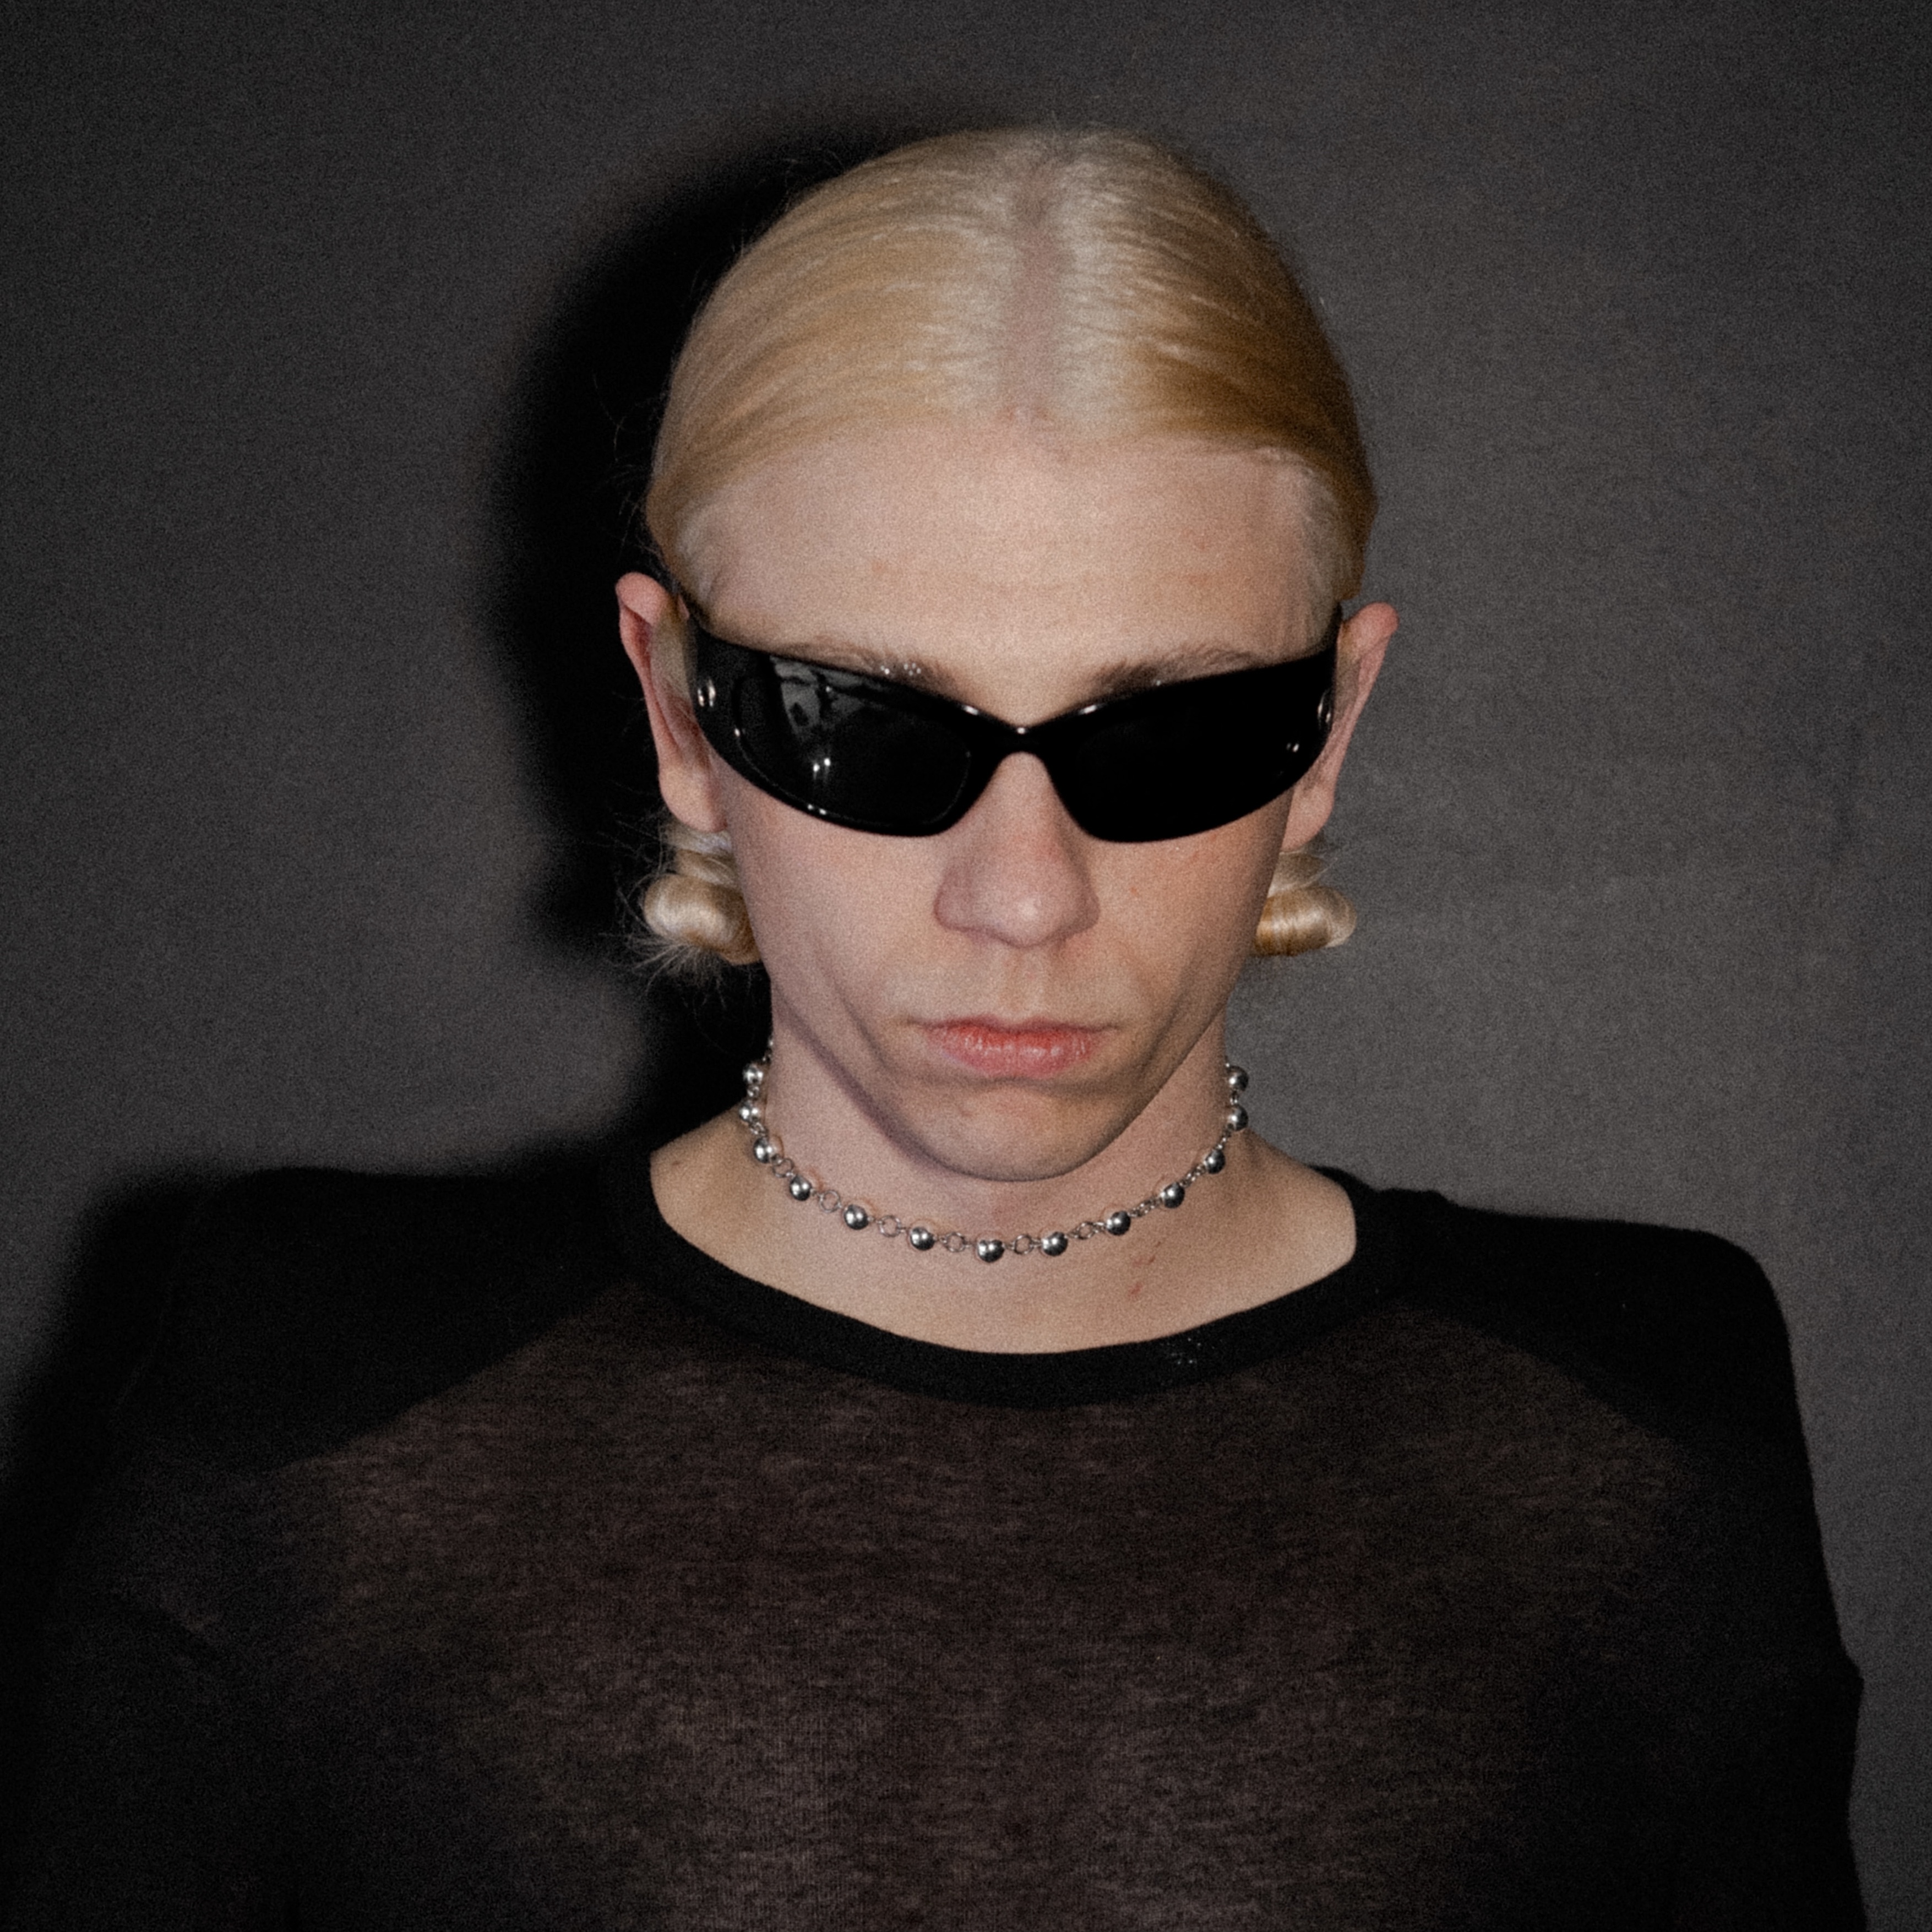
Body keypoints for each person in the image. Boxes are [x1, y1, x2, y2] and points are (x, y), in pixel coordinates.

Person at [15, 128, 1862, 1928]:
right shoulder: (309, 1392)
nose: (1023, 895)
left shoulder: (1631, 1435)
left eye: (1169, 733)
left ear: (1331, 735)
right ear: (677, 715)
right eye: (870, 729)